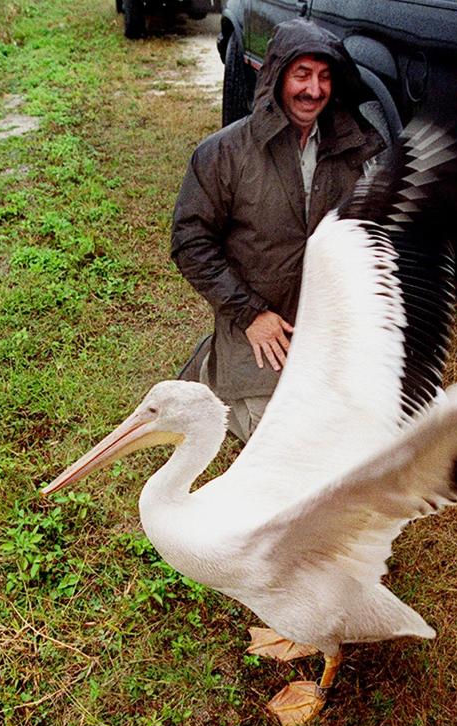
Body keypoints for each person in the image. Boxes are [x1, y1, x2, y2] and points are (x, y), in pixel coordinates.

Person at [171, 18, 384, 442]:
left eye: (325, 77)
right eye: (301, 74)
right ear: (276, 77)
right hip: (259, 322)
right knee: (284, 443)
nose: (314, 90)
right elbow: (190, 242)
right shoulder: (224, 153)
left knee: (358, 432)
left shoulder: (357, 150)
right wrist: (250, 315)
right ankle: (219, 365)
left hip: (325, 324)